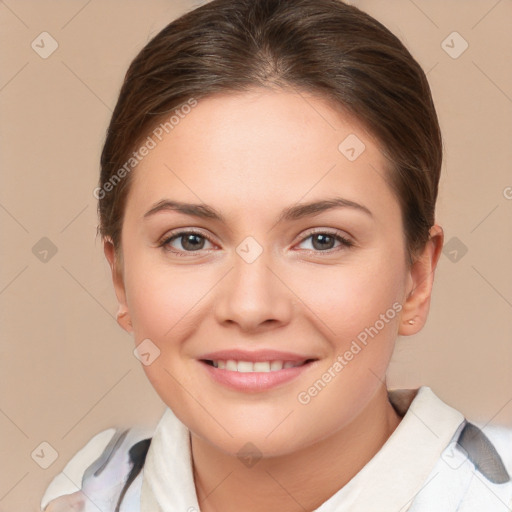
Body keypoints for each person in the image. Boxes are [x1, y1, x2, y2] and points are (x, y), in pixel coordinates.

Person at [41, 0, 512, 510]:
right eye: (190, 240)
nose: (250, 306)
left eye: (322, 240)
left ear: (416, 278)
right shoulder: (80, 494)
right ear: (120, 276)